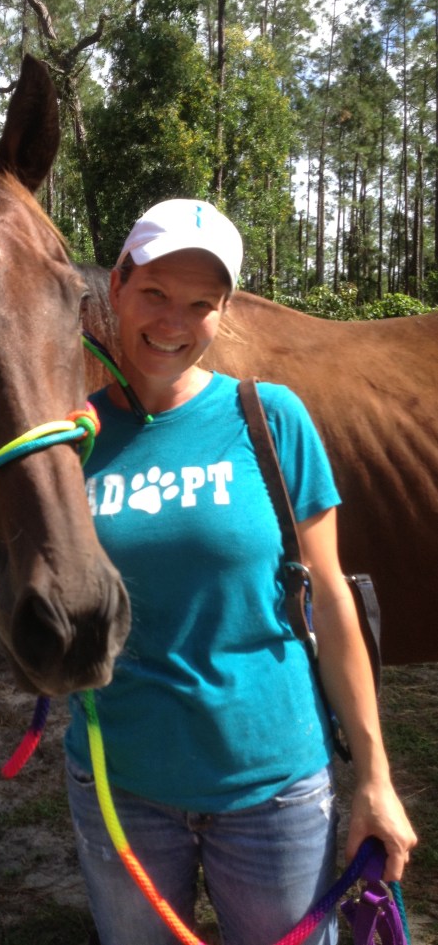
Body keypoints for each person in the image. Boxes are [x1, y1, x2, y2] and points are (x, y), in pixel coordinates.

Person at [65, 199, 417, 945]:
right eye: (155, 293)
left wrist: (374, 778)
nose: (173, 322)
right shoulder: (73, 438)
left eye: (201, 303)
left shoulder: (271, 417)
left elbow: (330, 599)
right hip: (120, 784)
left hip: (273, 790)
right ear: (117, 286)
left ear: (223, 311)